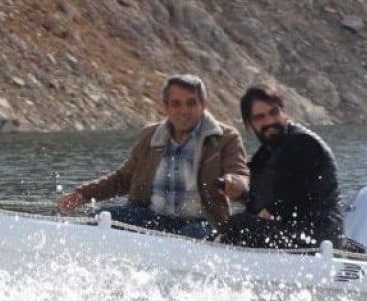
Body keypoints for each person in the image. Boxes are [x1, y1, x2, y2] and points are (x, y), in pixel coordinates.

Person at [56, 74, 248, 238]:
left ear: (204, 104)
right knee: (99, 216)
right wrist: (83, 194)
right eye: (176, 104)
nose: (184, 111)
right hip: (150, 215)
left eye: (191, 103)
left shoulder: (225, 137)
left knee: (194, 238)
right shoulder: (150, 136)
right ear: (166, 106)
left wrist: (235, 183)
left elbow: (240, 174)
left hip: (200, 221)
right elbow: (123, 179)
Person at [216, 84, 343, 249]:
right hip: (289, 232)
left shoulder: (303, 144)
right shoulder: (264, 155)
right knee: (235, 225)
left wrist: (239, 227)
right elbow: (263, 204)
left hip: (317, 237)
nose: (269, 121)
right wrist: (241, 195)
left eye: (274, 113)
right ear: (249, 124)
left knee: (239, 225)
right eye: (260, 117)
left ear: (284, 112)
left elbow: (286, 202)